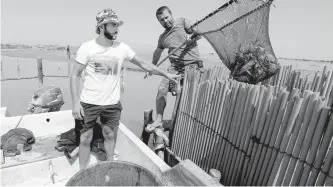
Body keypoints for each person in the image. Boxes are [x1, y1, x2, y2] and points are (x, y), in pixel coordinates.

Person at [70, 8, 180, 170]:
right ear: (102, 26)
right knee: (85, 139)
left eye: (117, 25)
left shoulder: (122, 48)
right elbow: (75, 75)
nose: (117, 28)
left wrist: (166, 74)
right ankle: (83, 172)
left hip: (112, 104)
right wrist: (75, 104)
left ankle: (109, 168)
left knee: (109, 136)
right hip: (89, 103)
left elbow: (144, 64)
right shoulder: (87, 48)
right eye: (113, 25)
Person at [145, 6, 203, 132]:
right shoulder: (163, 37)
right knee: (162, 89)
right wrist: (152, 67)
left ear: (171, 14)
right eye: (161, 20)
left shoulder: (182, 22)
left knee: (184, 95)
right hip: (175, 67)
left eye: (166, 17)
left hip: (192, 65)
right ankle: (159, 119)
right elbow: (158, 51)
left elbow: (199, 33)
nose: (165, 21)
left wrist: (191, 37)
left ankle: (184, 122)